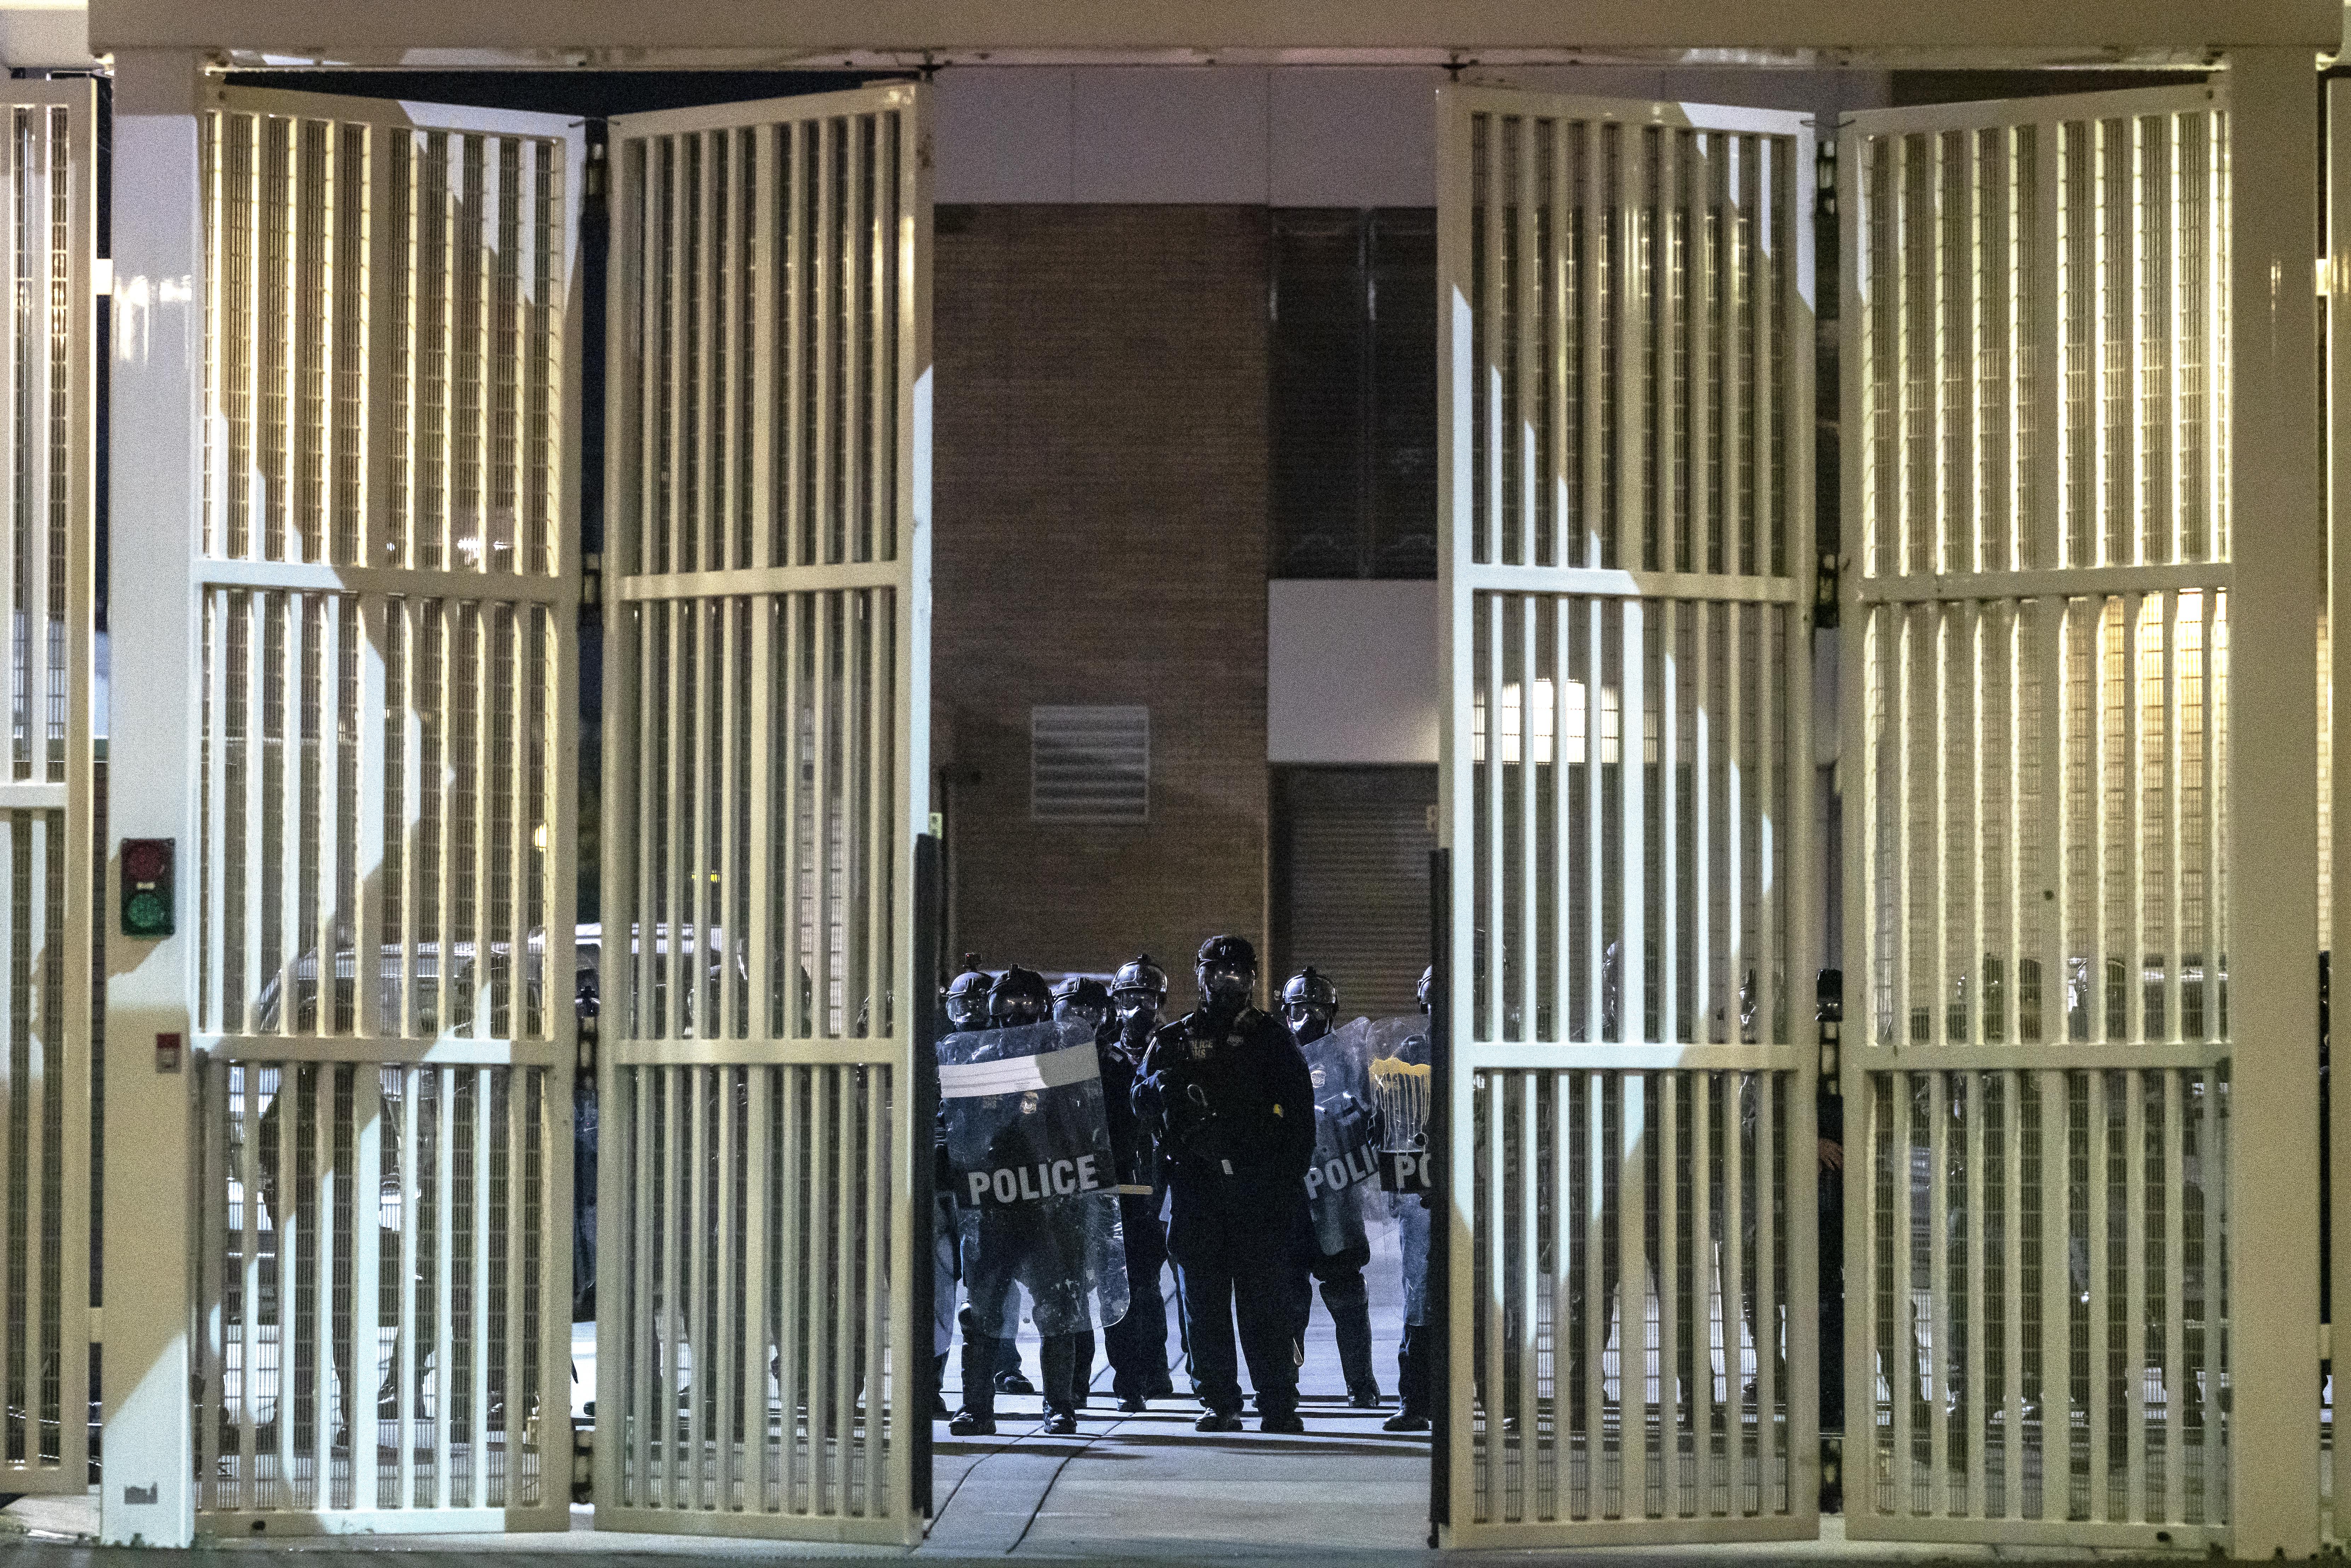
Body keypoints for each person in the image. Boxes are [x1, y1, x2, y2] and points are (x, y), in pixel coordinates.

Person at [1133, 935, 1316, 1434]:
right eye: (1218, 974)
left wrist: (1284, 1183)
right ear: (1201, 976)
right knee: (1204, 1303)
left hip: (1259, 1192)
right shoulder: (1173, 1039)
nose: (1228, 983)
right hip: (1198, 1189)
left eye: (1238, 974)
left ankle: (1277, 1400)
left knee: (1266, 1302)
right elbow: (1139, 1101)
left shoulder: (1273, 1040)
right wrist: (1157, 1087)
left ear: (1254, 979)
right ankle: (1219, 1400)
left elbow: (1302, 1120)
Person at [952, 966, 1109, 1436]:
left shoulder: (1065, 1059)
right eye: (1009, 1002)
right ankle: (977, 1406)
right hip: (995, 1204)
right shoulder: (976, 1056)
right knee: (981, 1310)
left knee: (1058, 1306)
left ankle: (1060, 1404)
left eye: (1027, 1002)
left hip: (1050, 1200)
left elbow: (1090, 1121)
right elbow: (954, 1126)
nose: (1017, 1012)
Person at [1281, 967, 1382, 1408]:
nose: (1307, 1020)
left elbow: (1373, 1114)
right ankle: (1283, 1384)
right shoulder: (1272, 1054)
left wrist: (1353, 1111)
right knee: (1286, 1299)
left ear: (1331, 1013)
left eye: (1316, 1010)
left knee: (1346, 1294)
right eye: (1298, 1010)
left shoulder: (1349, 1058)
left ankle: (1361, 1384)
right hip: (1284, 1198)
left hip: (1335, 1194)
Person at [1104, 954, 1178, 1408]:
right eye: (1130, 998)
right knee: (1129, 1283)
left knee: (1176, 1285)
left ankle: (1163, 1371)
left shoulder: (1176, 1046)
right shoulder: (1098, 1051)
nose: (1138, 1008)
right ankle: (1131, 1377)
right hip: (1122, 1185)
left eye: (1147, 998)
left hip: (1172, 1178)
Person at [1380, 966, 1437, 1433]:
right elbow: (1391, 1124)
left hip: (1483, 1188)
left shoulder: (1499, 1045)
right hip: (1427, 1192)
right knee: (1420, 1297)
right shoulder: (1414, 1052)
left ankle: (1502, 1393)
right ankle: (1414, 1399)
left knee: (1492, 1299)